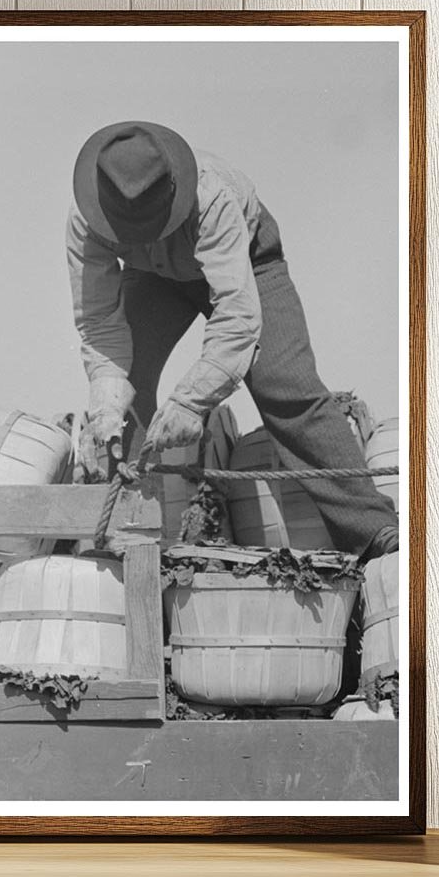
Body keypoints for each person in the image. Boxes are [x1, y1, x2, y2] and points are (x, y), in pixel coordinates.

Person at [66, 120, 398, 560]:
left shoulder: (213, 197)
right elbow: (100, 322)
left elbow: (237, 316)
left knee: (286, 386)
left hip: (247, 263)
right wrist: (106, 403)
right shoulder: (86, 222)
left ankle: (373, 530)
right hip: (156, 275)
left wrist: (191, 401)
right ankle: (133, 542)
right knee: (121, 399)